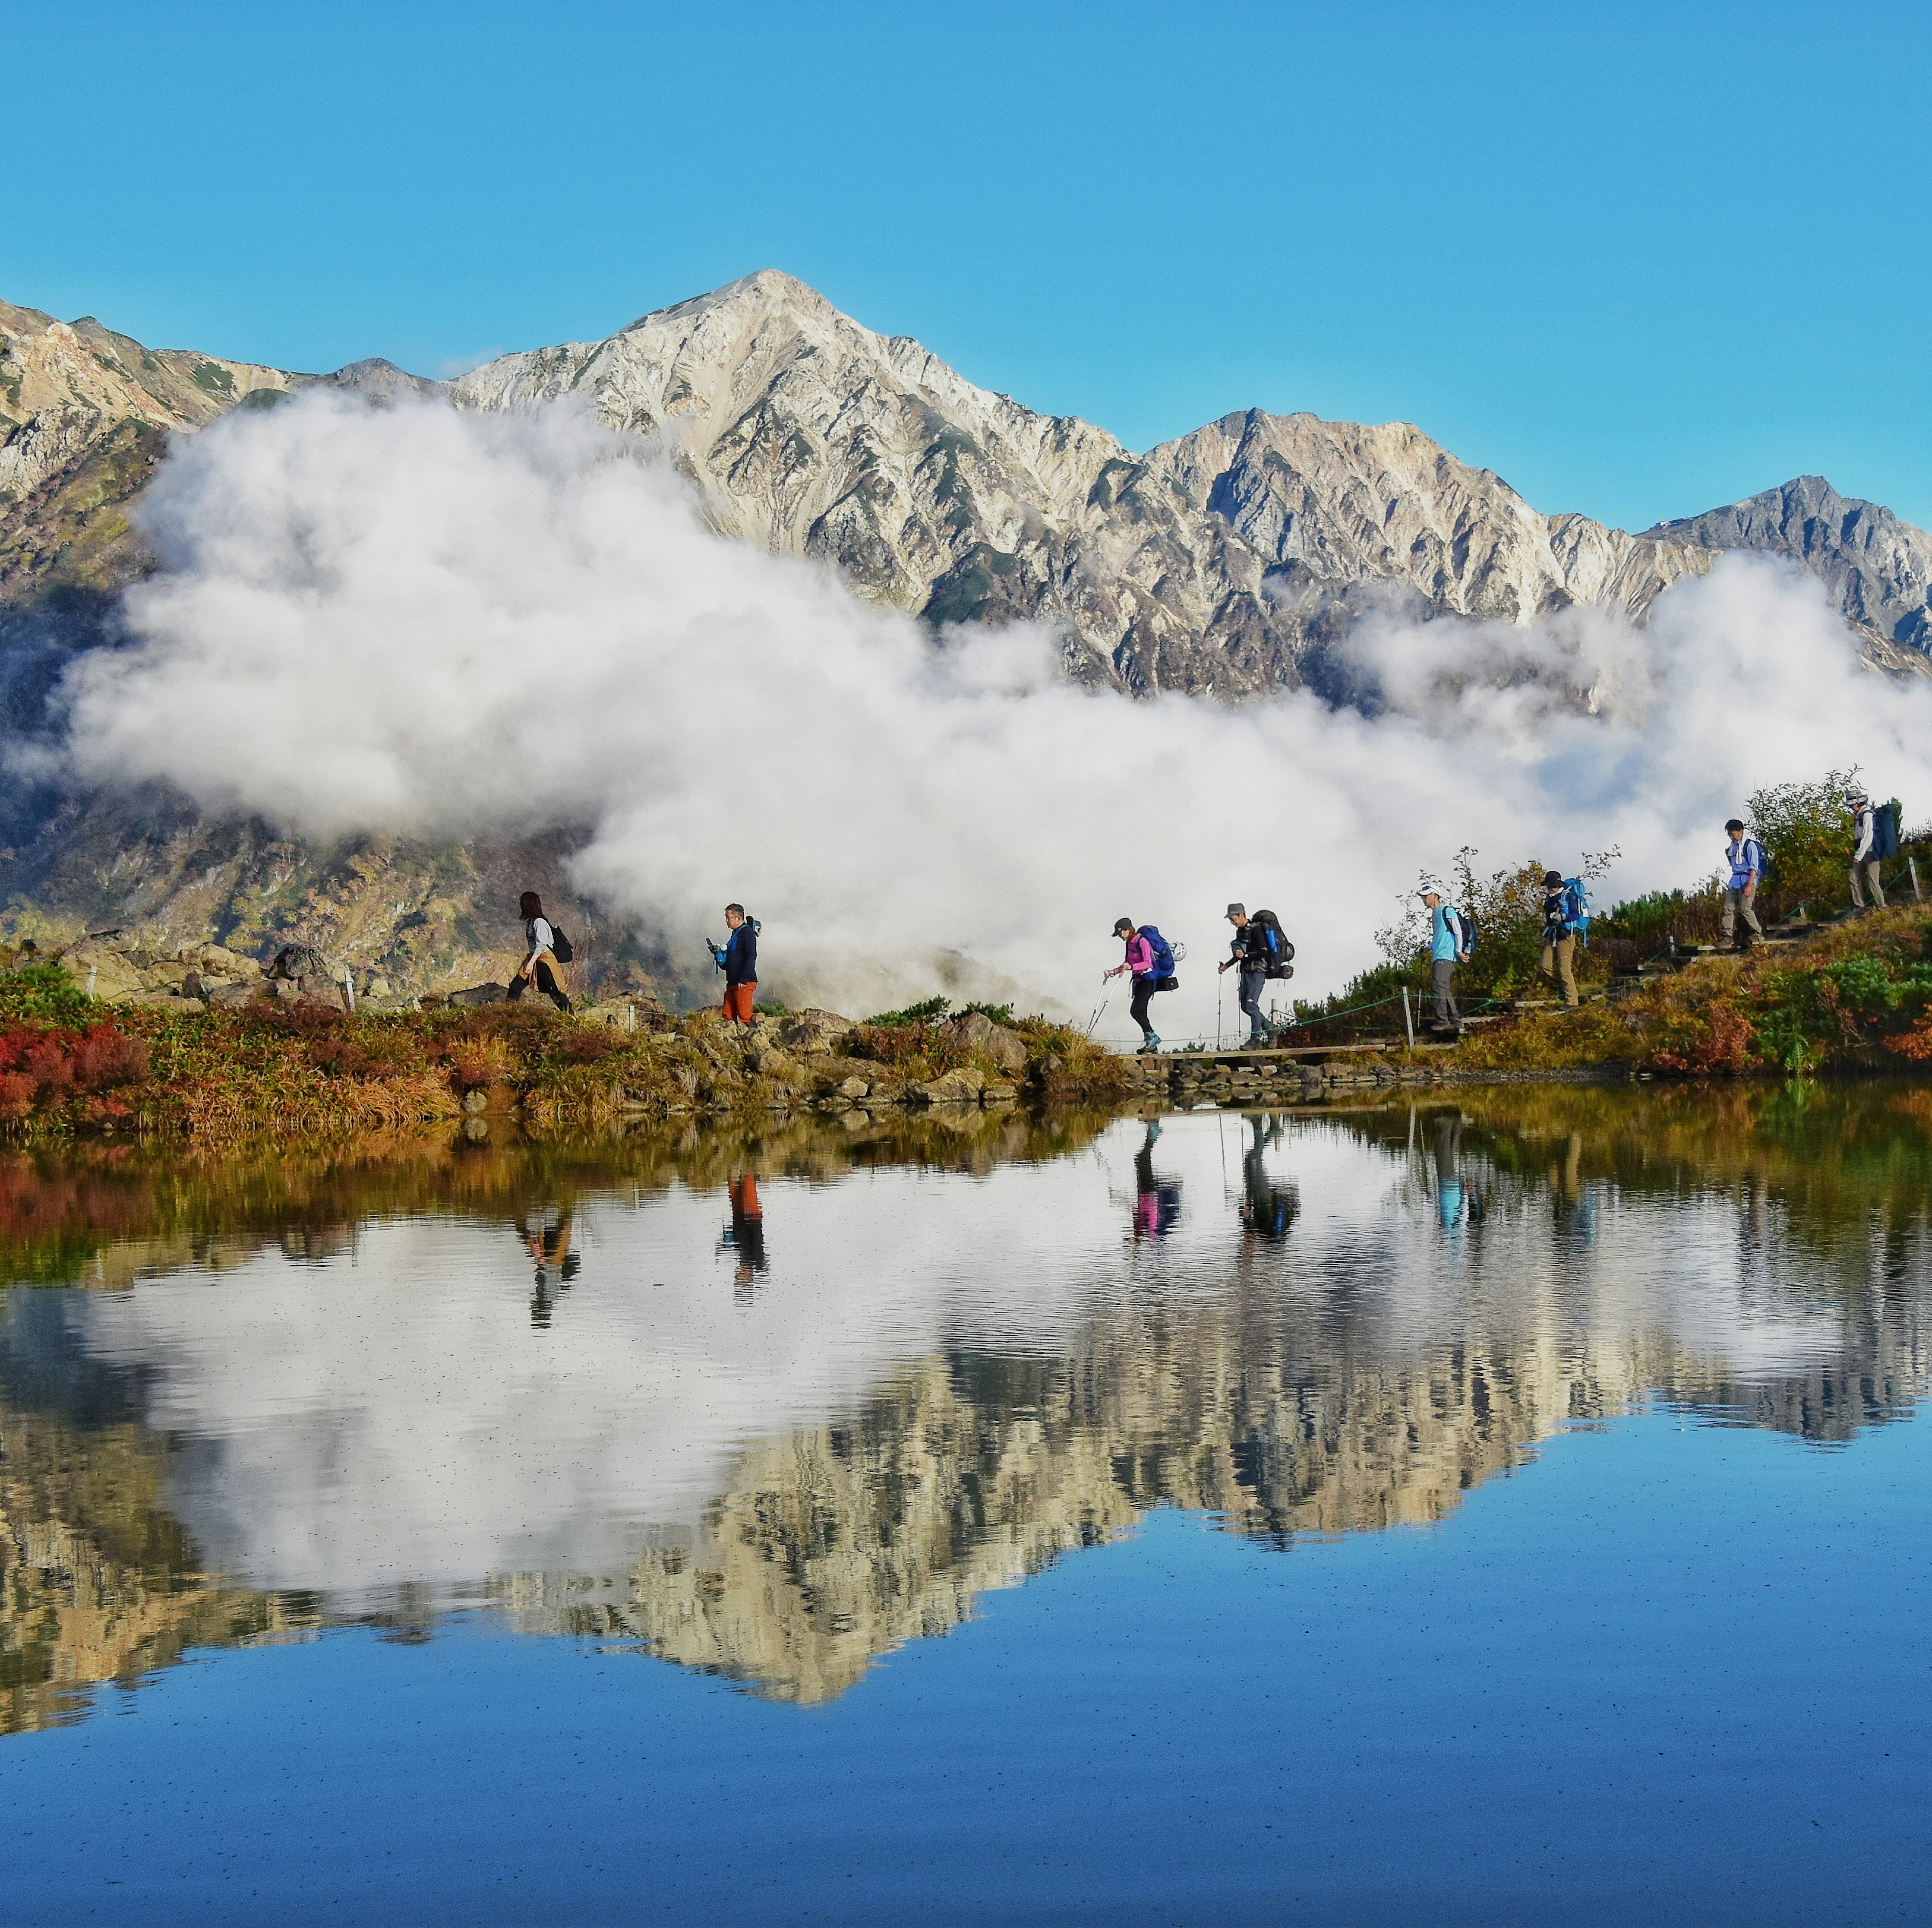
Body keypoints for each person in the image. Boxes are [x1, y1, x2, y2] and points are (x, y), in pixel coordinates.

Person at [1105, 917, 1167, 1053]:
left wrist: (1131, 966)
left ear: (1127, 930)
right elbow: (1126, 963)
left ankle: (1152, 1038)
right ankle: (1152, 1044)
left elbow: (1148, 963)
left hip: (1148, 980)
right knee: (1139, 1011)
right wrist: (1114, 972)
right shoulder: (1129, 944)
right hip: (1138, 981)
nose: (1120, 936)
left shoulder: (1142, 942)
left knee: (1136, 1011)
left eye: (1120, 933)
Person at [1217, 903, 1273, 1048]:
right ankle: (1271, 1029)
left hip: (1258, 971)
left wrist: (1246, 955)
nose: (1231, 922)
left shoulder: (1256, 929)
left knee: (1250, 1005)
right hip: (1247, 971)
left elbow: (1264, 951)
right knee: (1245, 1006)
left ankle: (1255, 1039)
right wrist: (1227, 965)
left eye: (1232, 918)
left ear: (1241, 915)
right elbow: (1240, 955)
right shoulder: (1240, 932)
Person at [508, 891, 572, 1012]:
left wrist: (531, 963)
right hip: (534, 957)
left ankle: (571, 1018)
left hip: (544, 960)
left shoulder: (539, 922)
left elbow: (542, 945)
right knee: (516, 986)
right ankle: (510, 1013)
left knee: (556, 992)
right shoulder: (532, 922)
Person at [1422, 890, 1469, 1030]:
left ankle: (1443, 1021)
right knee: (1443, 987)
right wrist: (1428, 948)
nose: (1424, 899)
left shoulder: (1447, 911)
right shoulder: (1435, 914)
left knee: (1437, 986)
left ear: (1435, 896)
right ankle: (1454, 1019)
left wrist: (1459, 952)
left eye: (1426, 896)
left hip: (1447, 955)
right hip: (1440, 955)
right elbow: (1439, 936)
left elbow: (1457, 931)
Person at [709, 903, 758, 1026]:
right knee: (728, 1014)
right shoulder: (737, 933)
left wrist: (744, 977)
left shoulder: (747, 933)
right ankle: (734, 1039)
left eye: (728, 917)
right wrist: (719, 954)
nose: (726, 920)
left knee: (744, 1015)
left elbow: (751, 955)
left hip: (743, 982)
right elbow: (728, 964)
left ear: (738, 918)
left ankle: (754, 1038)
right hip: (733, 981)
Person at [1721, 819, 1764, 949]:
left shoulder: (1749, 846)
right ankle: (1727, 936)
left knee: (1746, 909)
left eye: (1733, 834)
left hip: (1747, 880)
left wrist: (1750, 886)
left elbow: (1754, 868)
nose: (1732, 837)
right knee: (1728, 908)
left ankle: (1758, 932)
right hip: (1735, 881)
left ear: (1741, 832)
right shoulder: (1731, 848)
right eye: (1729, 835)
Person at [1540, 871, 1579, 1009]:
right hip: (1551, 935)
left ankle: (1572, 1000)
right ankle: (1568, 985)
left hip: (1566, 936)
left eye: (1552, 886)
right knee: (1545, 965)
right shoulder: (1549, 898)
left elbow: (1575, 915)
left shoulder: (1567, 895)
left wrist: (1563, 917)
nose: (1550, 888)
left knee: (1564, 968)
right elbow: (1547, 919)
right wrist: (1545, 935)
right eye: (1549, 886)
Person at [1849, 791, 1887, 911]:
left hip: (1870, 852)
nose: (1850, 807)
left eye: (1852, 804)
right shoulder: (1858, 816)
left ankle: (1882, 907)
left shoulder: (1867, 815)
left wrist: (1858, 855)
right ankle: (1859, 906)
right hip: (1862, 852)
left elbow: (1868, 837)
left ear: (1858, 803)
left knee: (1873, 881)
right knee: (1853, 878)